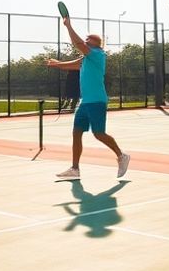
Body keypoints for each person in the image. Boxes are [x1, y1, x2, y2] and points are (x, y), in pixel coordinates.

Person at [48, 18, 130, 180]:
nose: (85, 41)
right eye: (85, 39)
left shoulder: (98, 54)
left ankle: (122, 156)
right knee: (76, 133)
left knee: (99, 134)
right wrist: (57, 64)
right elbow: (73, 65)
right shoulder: (86, 59)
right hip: (84, 103)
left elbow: (78, 44)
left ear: (97, 43)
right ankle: (75, 168)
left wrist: (68, 26)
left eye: (88, 39)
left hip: (97, 101)